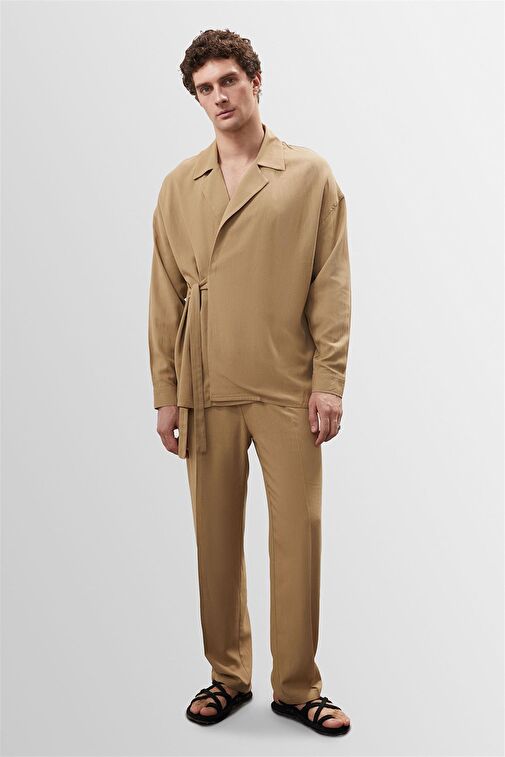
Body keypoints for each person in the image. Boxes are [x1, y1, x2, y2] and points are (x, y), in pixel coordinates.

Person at [148, 28, 352, 736]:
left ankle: (297, 686)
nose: (218, 97)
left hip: (287, 383)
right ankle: (226, 677)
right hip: (205, 384)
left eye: (228, 80)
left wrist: (329, 380)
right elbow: (163, 294)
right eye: (204, 88)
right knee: (214, 539)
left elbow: (330, 283)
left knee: (298, 534)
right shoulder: (180, 185)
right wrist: (166, 393)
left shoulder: (307, 174)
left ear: (255, 81)